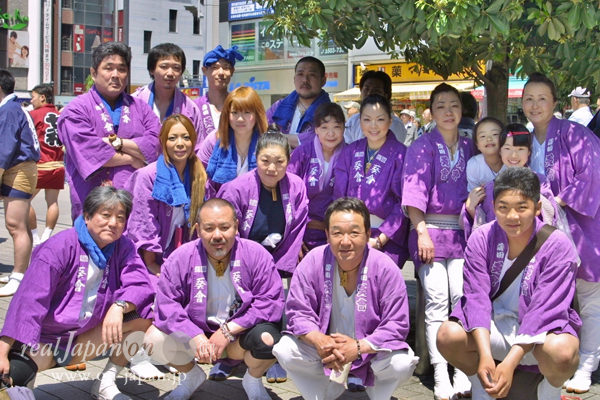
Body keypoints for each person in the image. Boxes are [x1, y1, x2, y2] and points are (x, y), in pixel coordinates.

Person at [437, 167, 580, 400]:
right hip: (494, 330)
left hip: (539, 337)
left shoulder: (557, 244)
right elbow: (476, 299)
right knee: (448, 334)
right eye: (503, 207)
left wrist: (510, 363)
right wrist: (484, 356)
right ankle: (480, 387)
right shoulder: (481, 237)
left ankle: (550, 391)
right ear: (494, 207)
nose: (512, 216)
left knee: (563, 352)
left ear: (536, 207)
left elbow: (544, 310)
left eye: (522, 207)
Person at [0, 186, 155, 400]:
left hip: (84, 336)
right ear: (87, 215)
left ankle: (106, 382)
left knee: (144, 316)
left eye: (120, 217)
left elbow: (140, 284)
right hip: (44, 339)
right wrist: (3, 349)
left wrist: (120, 306)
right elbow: (28, 302)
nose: (113, 223)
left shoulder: (124, 246)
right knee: (12, 377)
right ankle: (22, 375)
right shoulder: (58, 247)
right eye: (106, 215)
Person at [273, 197, 419, 400]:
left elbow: (396, 323)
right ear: (327, 234)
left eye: (354, 232)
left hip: (370, 349)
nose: (345, 241)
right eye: (337, 233)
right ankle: (320, 392)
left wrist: (359, 347)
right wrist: (320, 340)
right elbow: (298, 311)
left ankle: (379, 393)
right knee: (285, 349)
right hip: (325, 349)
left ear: (368, 233)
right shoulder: (313, 261)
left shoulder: (385, 267)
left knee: (402, 362)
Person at [144, 198, 285, 400]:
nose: (217, 236)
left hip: (238, 338)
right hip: (196, 339)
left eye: (224, 227)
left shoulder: (256, 255)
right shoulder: (180, 258)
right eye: (209, 228)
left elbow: (270, 301)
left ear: (236, 227)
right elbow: (167, 305)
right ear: (197, 229)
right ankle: (191, 376)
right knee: (152, 340)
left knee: (269, 339)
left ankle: (252, 380)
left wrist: (229, 330)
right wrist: (195, 335)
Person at [524, 72, 600, 394]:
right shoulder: (524, 140)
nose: (535, 105)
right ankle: (555, 363)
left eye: (542, 98)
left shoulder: (576, 134)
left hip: (580, 230)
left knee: (589, 298)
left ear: (556, 102)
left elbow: (592, 174)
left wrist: (555, 200)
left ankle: (586, 364)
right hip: (541, 235)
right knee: (555, 297)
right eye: (529, 99)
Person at [402, 83, 474, 399]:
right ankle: (440, 371)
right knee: (434, 299)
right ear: (431, 110)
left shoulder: (471, 147)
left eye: (454, 104)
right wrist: (421, 233)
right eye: (441, 105)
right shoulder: (421, 146)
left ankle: (461, 368)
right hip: (428, 231)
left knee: (460, 296)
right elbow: (414, 195)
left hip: (463, 235)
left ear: (463, 111)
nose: (448, 111)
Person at [57, 42, 160, 222]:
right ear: (93, 73)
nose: (115, 75)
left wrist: (118, 144)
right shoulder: (75, 110)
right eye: (108, 68)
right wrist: (132, 158)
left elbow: (156, 143)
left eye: (121, 69)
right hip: (92, 201)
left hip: (135, 200)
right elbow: (89, 151)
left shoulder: (142, 108)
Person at [126, 114, 207, 278]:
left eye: (186, 137)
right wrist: (152, 264)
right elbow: (144, 222)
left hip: (183, 255)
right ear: (163, 142)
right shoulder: (148, 176)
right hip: (147, 258)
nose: (180, 144)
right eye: (173, 138)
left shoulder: (199, 175)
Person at [218, 131, 308, 277]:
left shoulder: (296, 186)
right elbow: (226, 230)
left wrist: (280, 266)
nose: (272, 168)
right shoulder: (236, 189)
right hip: (242, 262)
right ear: (256, 157)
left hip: (278, 264)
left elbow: (297, 229)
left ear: (289, 160)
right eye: (265, 161)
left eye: (279, 161)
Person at [334, 95, 409, 267]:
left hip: (386, 237)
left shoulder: (401, 154)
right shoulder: (350, 152)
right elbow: (339, 196)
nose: (373, 126)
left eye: (380, 119)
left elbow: (403, 203)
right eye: (367, 119)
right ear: (359, 121)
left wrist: (380, 240)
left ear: (390, 121)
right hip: (350, 233)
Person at [462, 123, 560, 239]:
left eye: (520, 149)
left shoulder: (540, 182)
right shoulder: (490, 186)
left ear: (529, 152)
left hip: (532, 248)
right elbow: (482, 228)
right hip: (499, 249)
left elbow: (550, 215)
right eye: (507, 148)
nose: (514, 155)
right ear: (500, 151)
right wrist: (472, 209)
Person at [0, 69, 40, 297]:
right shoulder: (14, 107)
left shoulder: (9, 109)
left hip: (18, 169)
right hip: (19, 168)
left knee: (15, 225)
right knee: (17, 224)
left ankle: (19, 276)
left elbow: (4, 150)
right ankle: (19, 271)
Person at [288, 102, 346, 251]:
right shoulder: (303, 152)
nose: (331, 134)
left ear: (344, 129)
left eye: (336, 127)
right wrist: (294, 235)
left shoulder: (350, 154)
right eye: (324, 128)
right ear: (316, 130)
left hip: (337, 231)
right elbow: (288, 192)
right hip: (301, 228)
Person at [198, 86, 268, 196]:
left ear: (257, 114)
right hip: (220, 205)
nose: (240, 119)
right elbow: (199, 175)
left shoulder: (268, 143)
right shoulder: (214, 140)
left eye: (247, 112)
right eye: (234, 112)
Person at [133, 43, 202, 136]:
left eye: (176, 68)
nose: (170, 73)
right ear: (151, 69)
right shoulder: (134, 102)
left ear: (181, 72)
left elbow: (198, 146)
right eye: (164, 67)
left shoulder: (190, 108)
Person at [266, 56, 331, 148]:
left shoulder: (331, 112)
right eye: (300, 74)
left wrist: (274, 138)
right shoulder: (279, 106)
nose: (305, 80)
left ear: (323, 80)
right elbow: (261, 130)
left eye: (312, 75)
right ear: (294, 79)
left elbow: (317, 139)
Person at [27, 84, 63, 247]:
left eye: (33, 97)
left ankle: (34, 237)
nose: (31, 100)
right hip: (58, 165)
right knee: (53, 202)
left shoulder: (33, 115)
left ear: (42, 97)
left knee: (25, 200)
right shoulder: (60, 115)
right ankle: (47, 235)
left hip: (40, 165)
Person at [193, 45, 244, 147]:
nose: (221, 73)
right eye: (215, 68)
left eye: (226, 68)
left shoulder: (241, 105)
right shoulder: (193, 107)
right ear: (204, 71)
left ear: (232, 71)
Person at [344, 70, 407, 145]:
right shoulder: (353, 121)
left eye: (376, 90)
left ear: (386, 95)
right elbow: (348, 148)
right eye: (366, 89)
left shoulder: (396, 124)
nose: (369, 93)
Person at [466, 117, 505, 192]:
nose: (489, 139)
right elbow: (474, 196)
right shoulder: (474, 165)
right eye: (483, 136)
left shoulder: (513, 161)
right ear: (477, 144)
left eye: (495, 134)